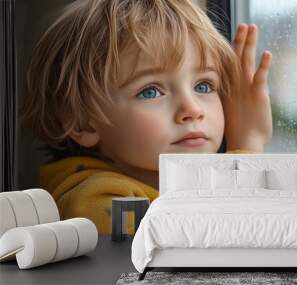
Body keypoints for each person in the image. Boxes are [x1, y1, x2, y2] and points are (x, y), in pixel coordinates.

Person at [20, 0, 273, 234]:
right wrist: (248, 142)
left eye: (204, 86)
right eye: (150, 91)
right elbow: (216, 239)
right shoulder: (92, 203)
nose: (192, 109)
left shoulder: (185, 187)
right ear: (82, 122)